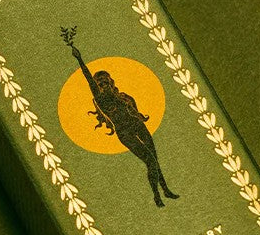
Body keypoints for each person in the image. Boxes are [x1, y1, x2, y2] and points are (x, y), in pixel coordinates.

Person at [67, 36, 178, 208]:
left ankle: (166, 190)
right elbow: (88, 79)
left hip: (137, 125)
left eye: (105, 80)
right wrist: (80, 59)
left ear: (111, 81)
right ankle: (157, 195)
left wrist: (138, 117)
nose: (103, 83)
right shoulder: (100, 97)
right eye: (100, 82)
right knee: (149, 160)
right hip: (124, 132)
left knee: (155, 157)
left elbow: (133, 110)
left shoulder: (123, 96)